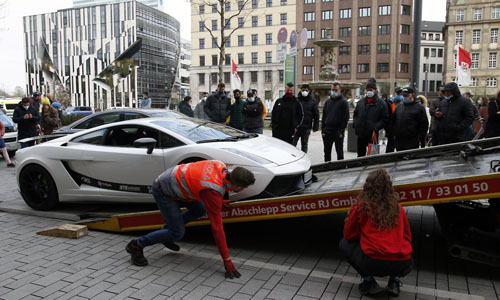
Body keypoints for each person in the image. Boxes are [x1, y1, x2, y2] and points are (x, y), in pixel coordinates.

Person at [125, 160, 255, 279]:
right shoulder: (212, 191)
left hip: (175, 182)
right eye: (243, 188)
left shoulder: (219, 165)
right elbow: (217, 229)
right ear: (237, 187)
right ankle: (136, 245)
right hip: (163, 191)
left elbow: (202, 181)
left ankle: (165, 233)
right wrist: (227, 260)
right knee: (177, 233)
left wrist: (218, 201)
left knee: (200, 209)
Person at [339, 168, 413, 297]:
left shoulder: (362, 206)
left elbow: (348, 235)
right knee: (402, 247)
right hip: (403, 263)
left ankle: (369, 282)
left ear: (368, 186)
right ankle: (394, 282)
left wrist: (363, 236)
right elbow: (407, 236)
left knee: (344, 244)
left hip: (373, 262)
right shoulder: (397, 208)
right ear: (389, 188)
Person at [352, 78, 388, 157]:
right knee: (360, 156)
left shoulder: (381, 103)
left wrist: (376, 127)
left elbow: (385, 119)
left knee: (372, 156)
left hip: (372, 135)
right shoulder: (361, 102)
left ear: (375, 90)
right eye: (367, 90)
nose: (369, 92)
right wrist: (356, 124)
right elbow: (355, 114)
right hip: (361, 134)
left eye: (371, 90)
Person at [322, 82, 349, 161]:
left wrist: (341, 130)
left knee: (339, 152)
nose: (334, 91)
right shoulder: (328, 102)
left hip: (338, 131)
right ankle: (326, 168)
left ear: (340, 90)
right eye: (332, 90)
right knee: (327, 152)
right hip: (327, 131)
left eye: (336, 90)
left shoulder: (344, 102)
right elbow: (324, 116)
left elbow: (345, 117)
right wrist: (323, 130)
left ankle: (340, 169)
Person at [293, 84, 319, 153]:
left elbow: (316, 115)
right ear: (301, 91)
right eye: (303, 90)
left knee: (304, 144)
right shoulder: (296, 100)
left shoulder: (313, 101)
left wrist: (315, 127)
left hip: (306, 127)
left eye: (306, 90)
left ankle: (304, 157)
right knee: (292, 144)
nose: (304, 92)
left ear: (309, 91)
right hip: (296, 127)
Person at [385, 87, 403, 153]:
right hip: (391, 129)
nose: (399, 95)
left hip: (401, 129)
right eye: (398, 93)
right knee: (390, 147)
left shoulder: (405, 103)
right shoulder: (389, 103)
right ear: (395, 93)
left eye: (401, 93)